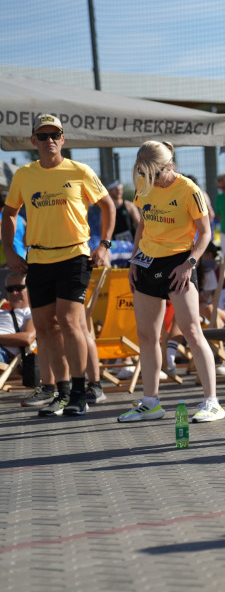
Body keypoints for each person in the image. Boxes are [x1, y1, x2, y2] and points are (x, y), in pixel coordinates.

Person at [2, 113, 114, 417]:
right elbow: (10, 213)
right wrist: (11, 253)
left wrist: (104, 245)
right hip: (38, 258)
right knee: (45, 327)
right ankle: (60, 391)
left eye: (55, 135)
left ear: (63, 139)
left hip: (74, 255)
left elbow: (108, 205)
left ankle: (81, 391)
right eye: (43, 135)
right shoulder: (24, 174)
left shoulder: (80, 170)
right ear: (33, 141)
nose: (49, 140)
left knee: (69, 322)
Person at [115, 142, 223, 423]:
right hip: (147, 262)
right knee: (148, 335)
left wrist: (190, 264)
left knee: (191, 330)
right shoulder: (143, 181)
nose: (149, 179)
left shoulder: (188, 189)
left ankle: (212, 402)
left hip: (179, 263)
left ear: (170, 166)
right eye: (143, 172)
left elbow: (205, 232)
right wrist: (134, 260)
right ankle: (150, 402)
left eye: (155, 174)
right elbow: (143, 224)